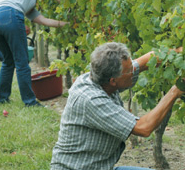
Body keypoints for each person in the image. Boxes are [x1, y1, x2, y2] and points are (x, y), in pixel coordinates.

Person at [50, 42, 184, 170]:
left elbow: (145, 61)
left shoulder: (101, 78)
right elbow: (144, 128)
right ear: (113, 81)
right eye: (130, 70)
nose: (134, 70)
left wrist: (178, 52)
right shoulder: (91, 100)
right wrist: (175, 91)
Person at [0, 0, 69, 107]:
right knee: (22, 61)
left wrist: (66, 24)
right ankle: (29, 102)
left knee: (8, 61)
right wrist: (72, 4)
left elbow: (43, 20)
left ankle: (2, 99)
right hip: (11, 15)